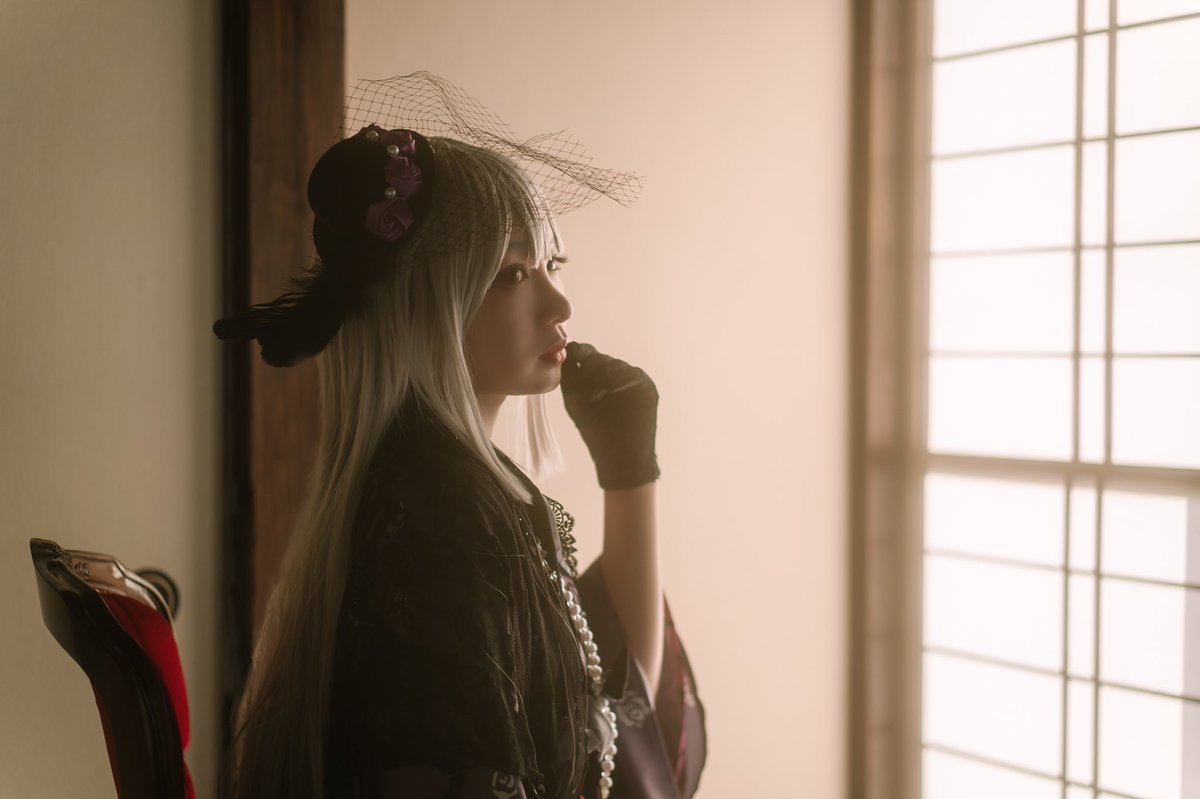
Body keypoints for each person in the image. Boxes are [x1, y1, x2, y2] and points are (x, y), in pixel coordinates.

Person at [213, 73, 707, 799]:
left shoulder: (456, 490)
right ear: (427, 303)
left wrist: (629, 471)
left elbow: (609, 713)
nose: (560, 303)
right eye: (512, 274)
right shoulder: (444, 514)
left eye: (552, 265)